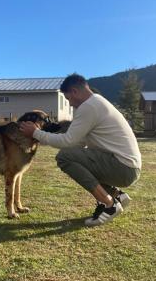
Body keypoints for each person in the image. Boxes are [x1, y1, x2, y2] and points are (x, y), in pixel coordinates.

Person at [19, 73, 142, 226]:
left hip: (123, 168)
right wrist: (42, 137)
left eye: (68, 98)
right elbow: (78, 142)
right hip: (127, 166)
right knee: (75, 158)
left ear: (75, 92)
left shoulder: (89, 106)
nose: (69, 104)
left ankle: (109, 205)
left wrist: (36, 133)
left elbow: (68, 140)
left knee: (64, 157)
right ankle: (118, 195)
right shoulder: (97, 102)